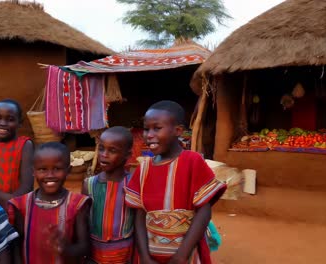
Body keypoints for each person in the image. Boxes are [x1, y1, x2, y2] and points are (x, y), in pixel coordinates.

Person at [125, 100, 227, 264]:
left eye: (157, 128)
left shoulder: (192, 161)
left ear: (178, 130)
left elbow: (204, 211)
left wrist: (182, 255)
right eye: (146, 129)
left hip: (186, 255)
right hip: (150, 255)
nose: (149, 134)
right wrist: (143, 256)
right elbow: (139, 215)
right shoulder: (143, 169)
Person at [8, 142, 91, 264]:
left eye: (57, 169)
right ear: (33, 171)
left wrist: (66, 249)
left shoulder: (77, 204)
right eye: (43, 169)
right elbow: (16, 245)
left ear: (68, 170)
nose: (50, 175)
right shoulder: (21, 205)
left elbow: (84, 247)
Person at [82, 126, 135, 264]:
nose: (104, 154)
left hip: (125, 255)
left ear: (128, 155)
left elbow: (138, 221)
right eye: (101, 148)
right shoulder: (89, 184)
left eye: (112, 150)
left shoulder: (133, 183)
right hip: (94, 255)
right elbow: (84, 221)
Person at [0, 99, 34, 208]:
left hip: (13, 207)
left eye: (10, 119)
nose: (2, 123)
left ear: (20, 123)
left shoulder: (25, 145)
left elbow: (26, 188)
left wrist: (9, 203)